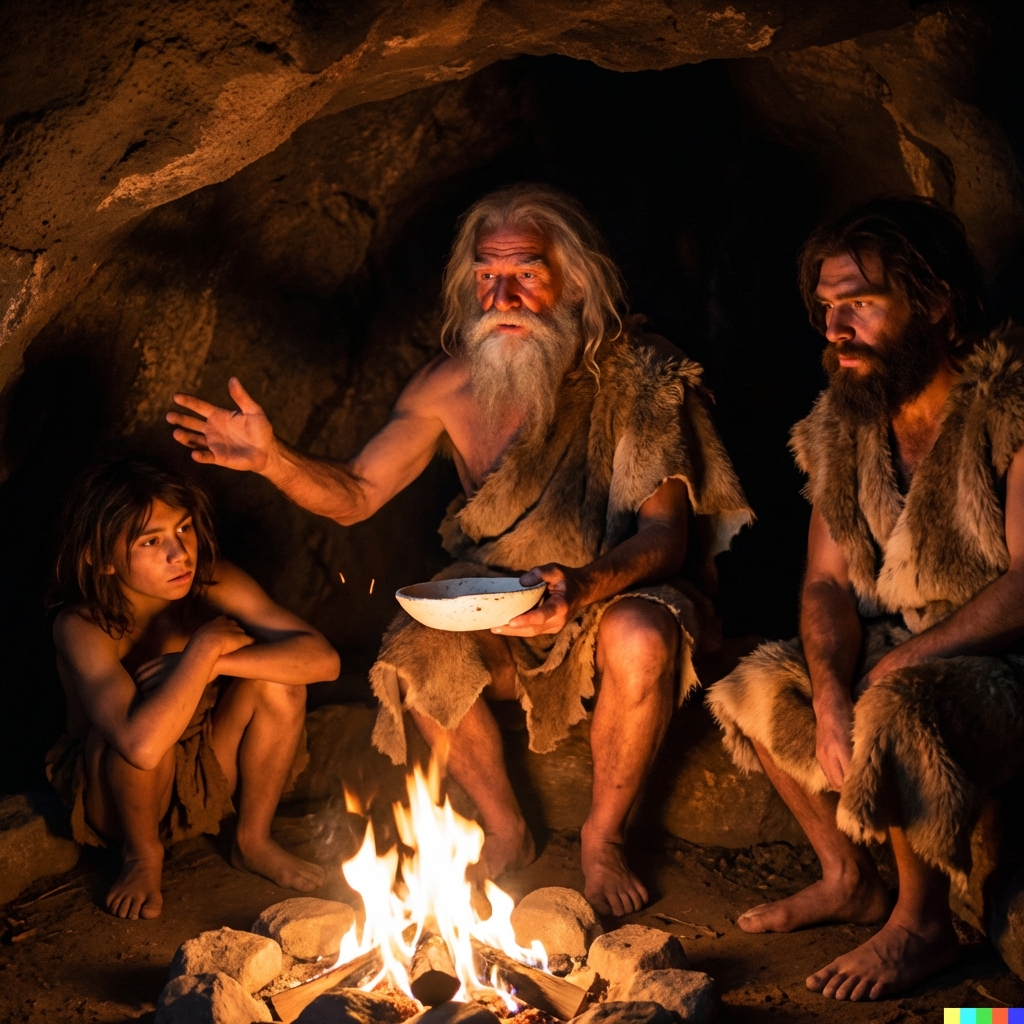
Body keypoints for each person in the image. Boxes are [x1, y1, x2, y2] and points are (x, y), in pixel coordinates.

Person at [168, 184, 752, 916]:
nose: (502, 294)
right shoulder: (445, 386)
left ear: (574, 280)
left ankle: (603, 841)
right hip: (506, 606)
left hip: (618, 596)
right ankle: (505, 831)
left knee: (638, 633)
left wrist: (581, 586)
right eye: (486, 276)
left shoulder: (640, 373)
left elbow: (665, 539)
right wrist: (271, 459)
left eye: (527, 273)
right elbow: (354, 492)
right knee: (415, 644)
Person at [707, 196, 1024, 1000]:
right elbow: (823, 581)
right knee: (754, 684)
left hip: (1000, 663)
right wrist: (825, 691)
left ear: (936, 303)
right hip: (898, 653)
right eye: (827, 308)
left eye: (860, 305)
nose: (835, 329)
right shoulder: (842, 426)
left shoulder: (1008, 408)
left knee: (893, 705)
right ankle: (848, 874)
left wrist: (893, 671)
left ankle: (923, 925)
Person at [46, 456, 340, 920]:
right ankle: (143, 858)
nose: (180, 553)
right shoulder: (82, 625)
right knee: (142, 721)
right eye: (151, 541)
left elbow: (324, 661)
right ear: (100, 559)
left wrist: (211, 661)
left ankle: (253, 840)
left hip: (202, 777)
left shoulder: (211, 579)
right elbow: (139, 748)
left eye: (183, 529)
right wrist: (201, 653)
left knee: (279, 682)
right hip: (116, 796)